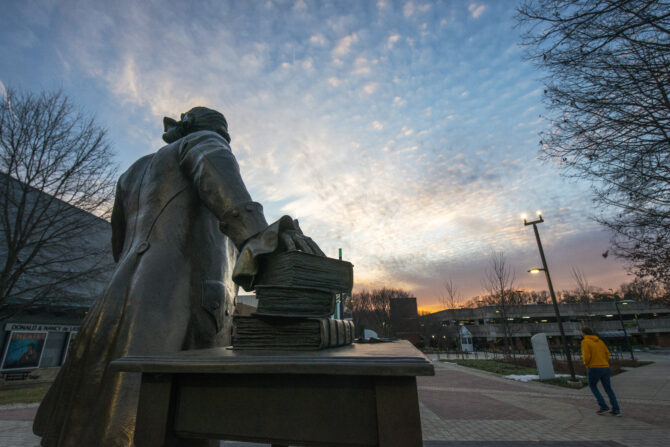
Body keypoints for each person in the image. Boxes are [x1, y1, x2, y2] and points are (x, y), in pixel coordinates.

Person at [33, 107, 323, 446]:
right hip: (180, 298)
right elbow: (228, 195)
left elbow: (120, 243)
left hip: (123, 293)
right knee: (172, 412)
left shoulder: (131, 174)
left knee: (106, 404)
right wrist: (264, 240)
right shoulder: (205, 141)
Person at [581, 326, 621, 416]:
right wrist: (604, 362)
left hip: (594, 367)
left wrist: (587, 364)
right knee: (608, 389)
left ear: (583, 333)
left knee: (593, 387)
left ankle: (603, 406)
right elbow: (607, 353)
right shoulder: (600, 341)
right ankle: (616, 409)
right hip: (605, 367)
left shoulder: (585, 342)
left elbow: (586, 356)